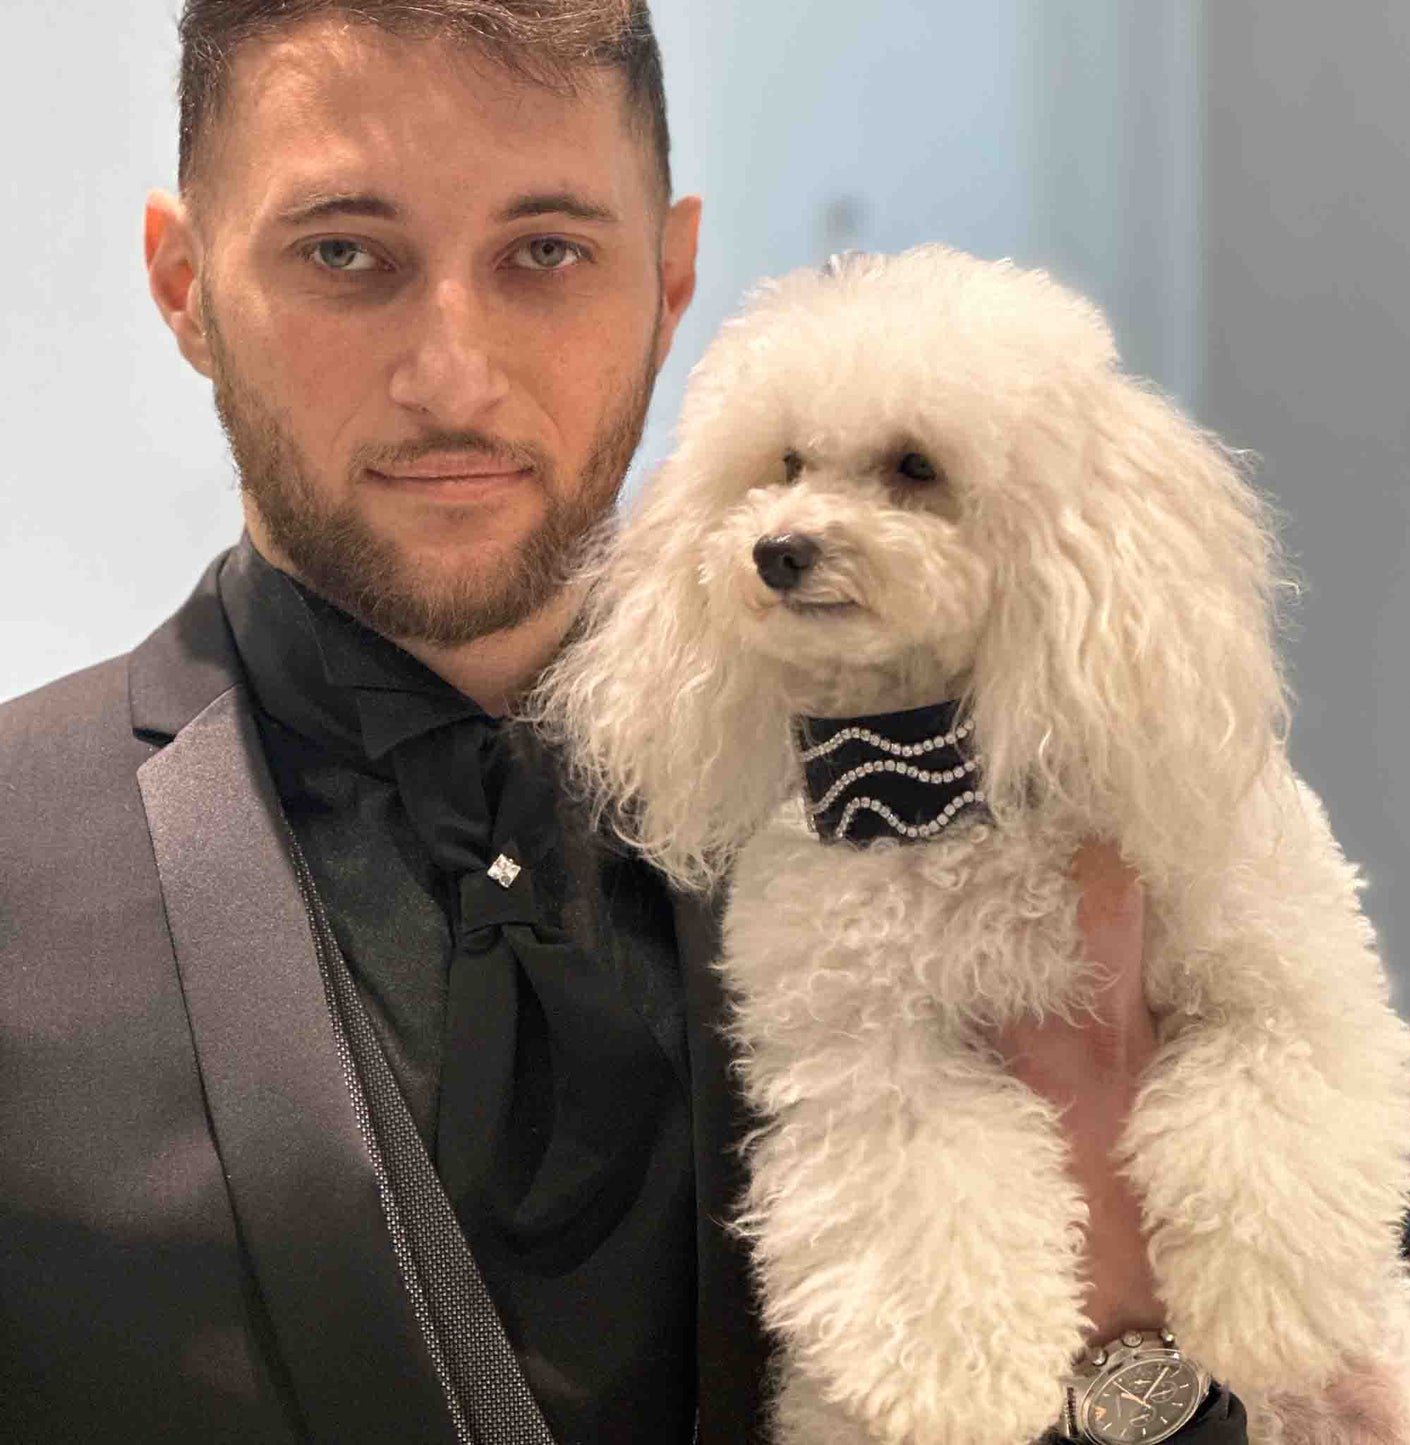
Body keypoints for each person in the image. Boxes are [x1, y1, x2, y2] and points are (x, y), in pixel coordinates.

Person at [0, 2, 1248, 1440]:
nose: (452, 376)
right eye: (343, 253)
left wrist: (1135, 1353)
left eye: (545, 253)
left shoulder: (1022, 819)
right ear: (183, 285)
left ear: (668, 280)